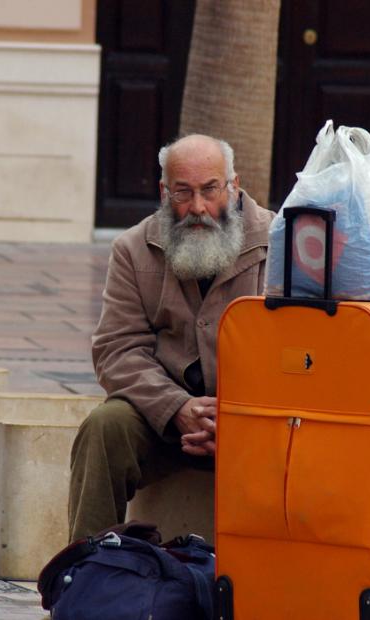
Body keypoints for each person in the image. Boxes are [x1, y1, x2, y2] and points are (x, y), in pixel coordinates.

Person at [67, 134, 274, 542]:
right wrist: (176, 407)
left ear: (233, 186)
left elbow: (301, 358)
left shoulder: (278, 242)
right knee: (105, 427)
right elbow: (116, 350)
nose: (198, 208)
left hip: (258, 425)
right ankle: (88, 573)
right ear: (165, 192)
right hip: (165, 423)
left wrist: (239, 421)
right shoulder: (132, 248)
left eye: (210, 190)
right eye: (183, 192)